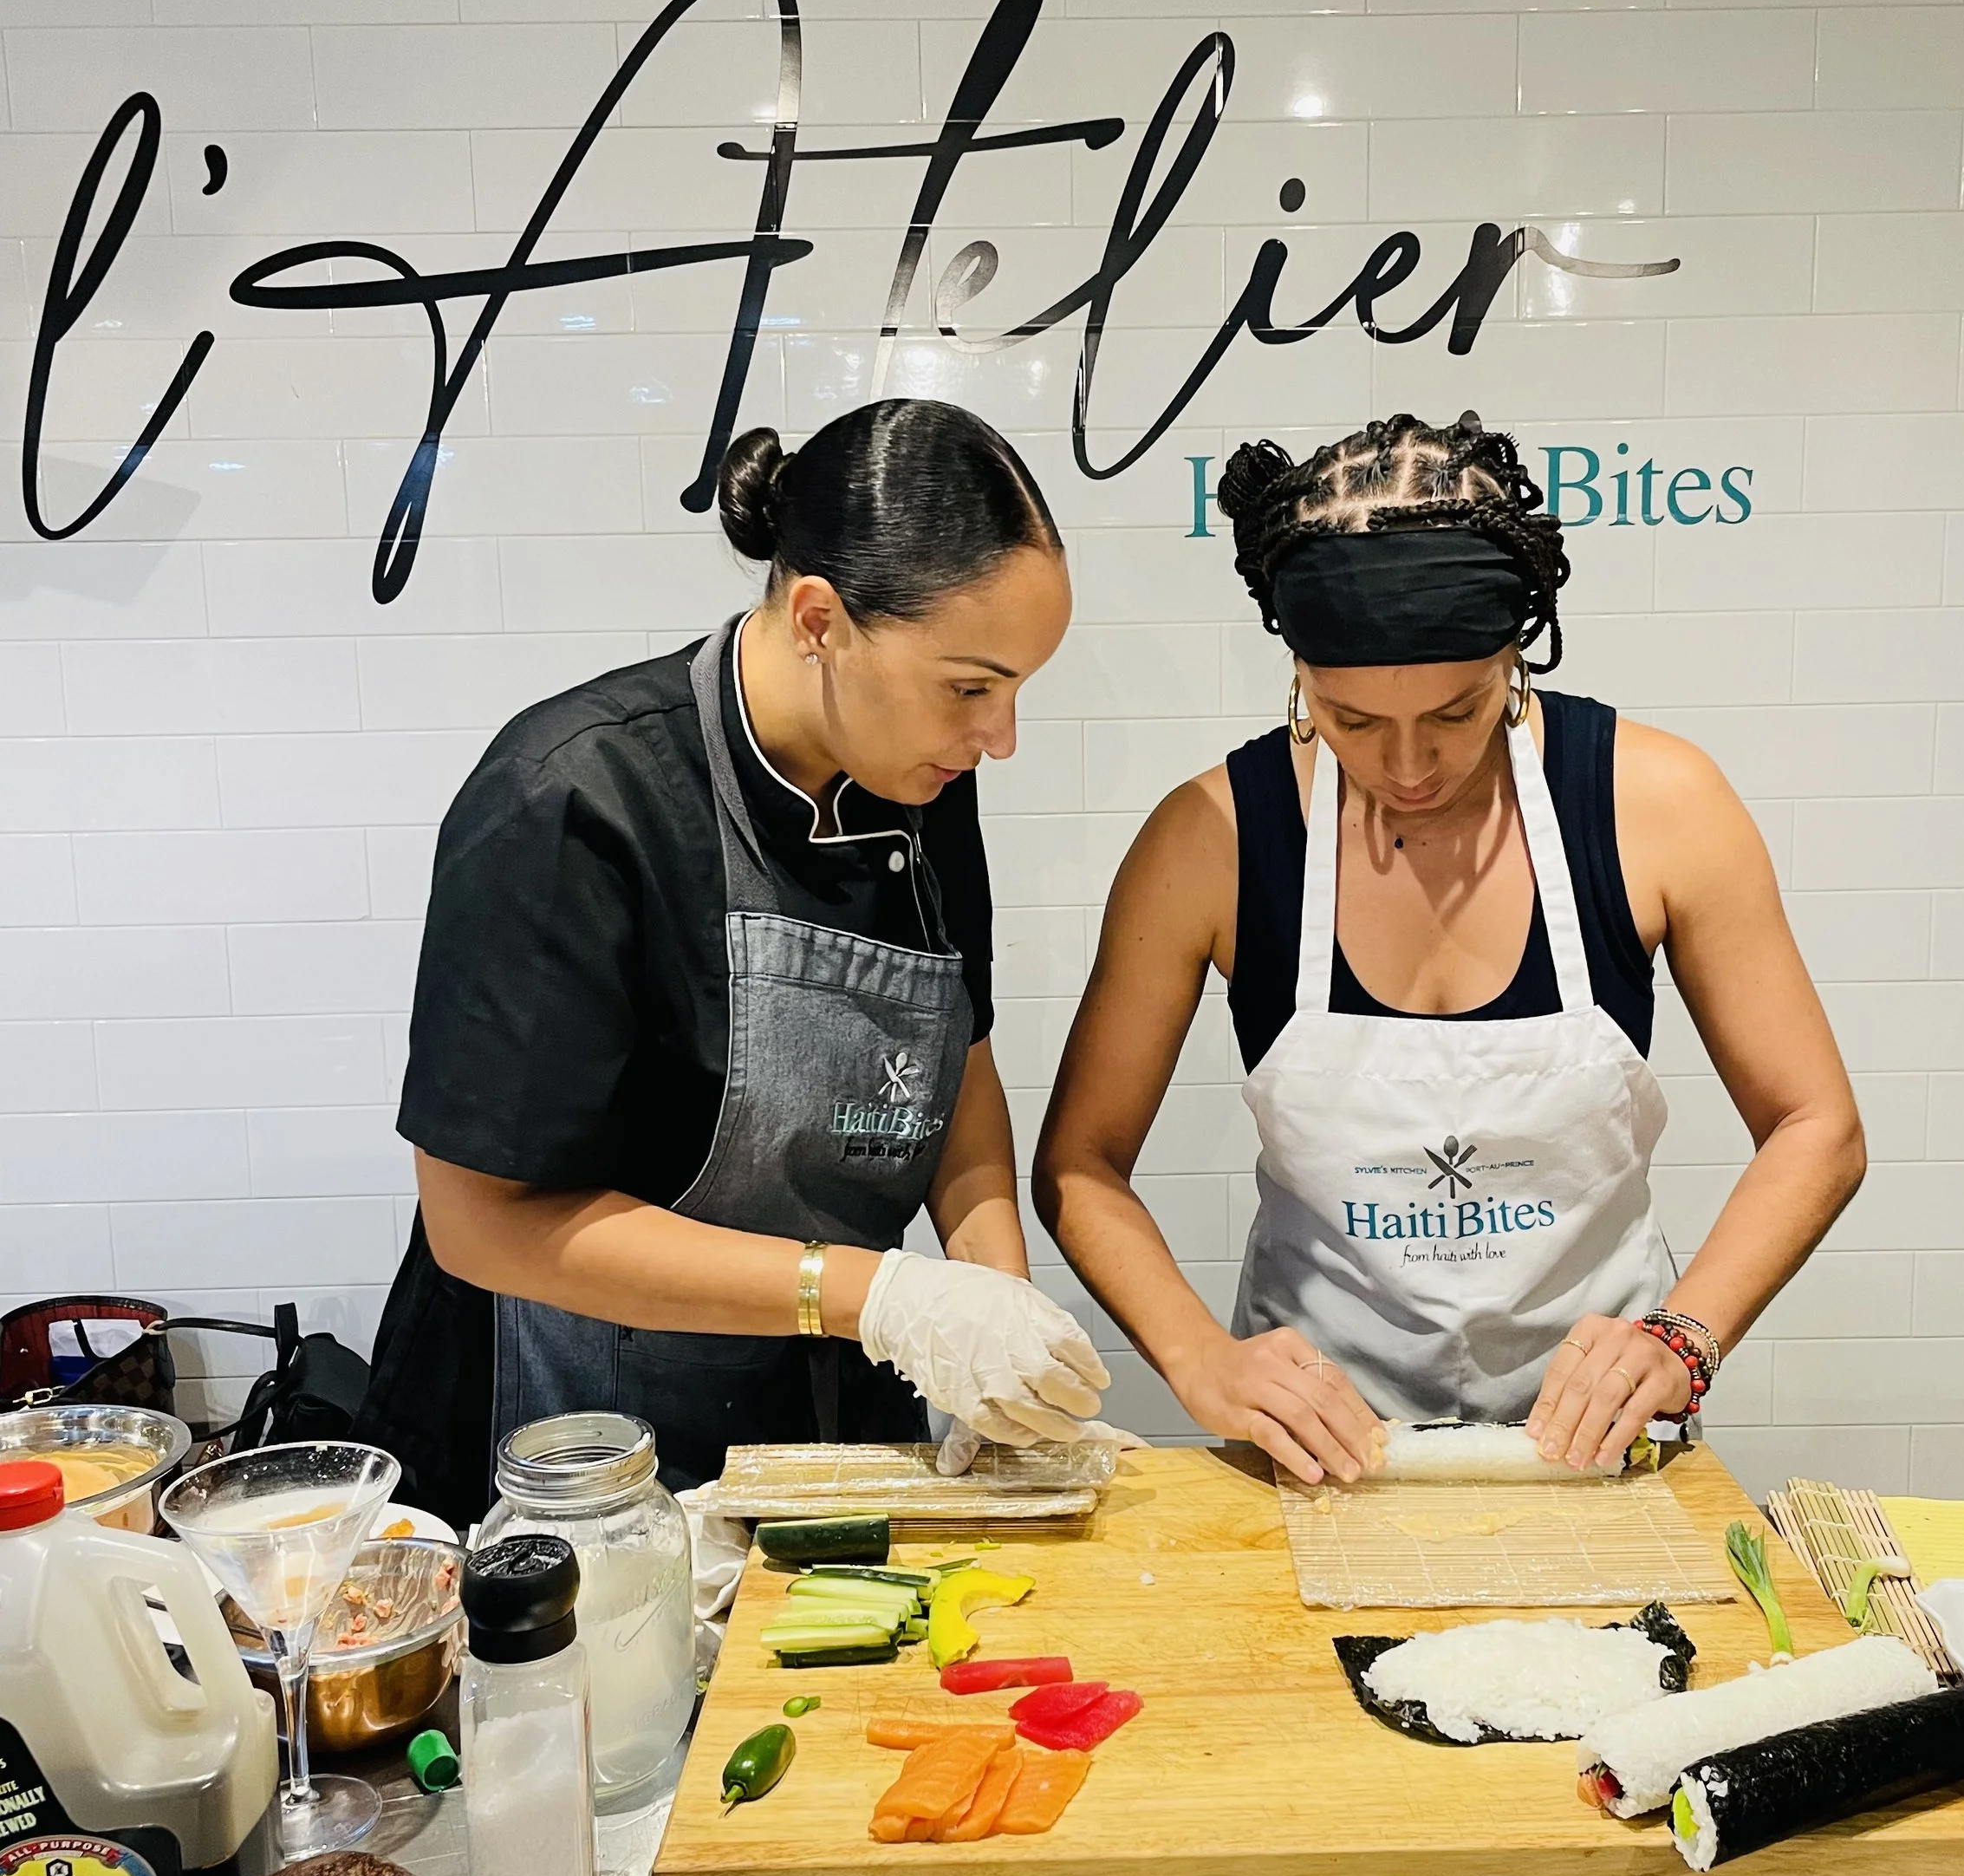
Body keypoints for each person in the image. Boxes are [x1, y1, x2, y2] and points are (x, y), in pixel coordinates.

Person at [1035, 409, 1864, 1485]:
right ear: (1298, 676)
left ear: (1514, 655)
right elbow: (1080, 1163)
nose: (1409, 766)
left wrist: (1682, 1341)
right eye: (1352, 721)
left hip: (1598, 1446)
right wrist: (1201, 1360)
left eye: (1456, 713)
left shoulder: (1654, 804)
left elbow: (1816, 1126)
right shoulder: (1212, 840)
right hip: (1318, 1455)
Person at [359, 398, 1106, 1524]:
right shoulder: (572, 799)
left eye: (1015, 689)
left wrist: (990, 1302)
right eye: (970, 686)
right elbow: (480, 1221)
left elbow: (959, 1064)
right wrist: (883, 1293)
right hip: (579, 1459)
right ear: (819, 618)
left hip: (837, 1422)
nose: (998, 737)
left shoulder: (917, 781)